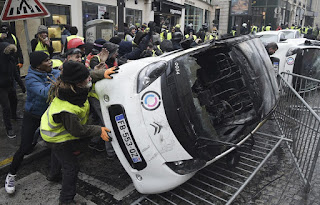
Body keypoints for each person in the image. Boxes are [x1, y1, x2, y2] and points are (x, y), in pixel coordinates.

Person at [40, 61, 112, 205]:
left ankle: (53, 175)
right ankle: (66, 200)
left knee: (56, 154)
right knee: (71, 168)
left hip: (50, 133)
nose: (90, 79)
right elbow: (78, 131)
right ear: (78, 83)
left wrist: (102, 73)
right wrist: (98, 129)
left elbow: (87, 74)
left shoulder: (70, 86)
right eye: (87, 79)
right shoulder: (67, 110)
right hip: (56, 138)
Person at [4, 51, 60, 194]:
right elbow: (44, 93)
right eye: (46, 61)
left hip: (48, 115)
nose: (50, 62)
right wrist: (60, 79)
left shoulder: (52, 72)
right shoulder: (30, 78)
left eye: (49, 59)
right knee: (25, 147)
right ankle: (11, 174)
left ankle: (55, 171)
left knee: (58, 142)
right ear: (38, 66)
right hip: (33, 116)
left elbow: (66, 72)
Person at [0, 42, 26, 138]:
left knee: (14, 101)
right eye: (9, 51)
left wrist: (22, 86)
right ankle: (9, 128)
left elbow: (16, 74)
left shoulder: (11, 60)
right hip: (1, 88)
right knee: (6, 107)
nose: (11, 53)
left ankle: (14, 116)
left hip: (10, 85)